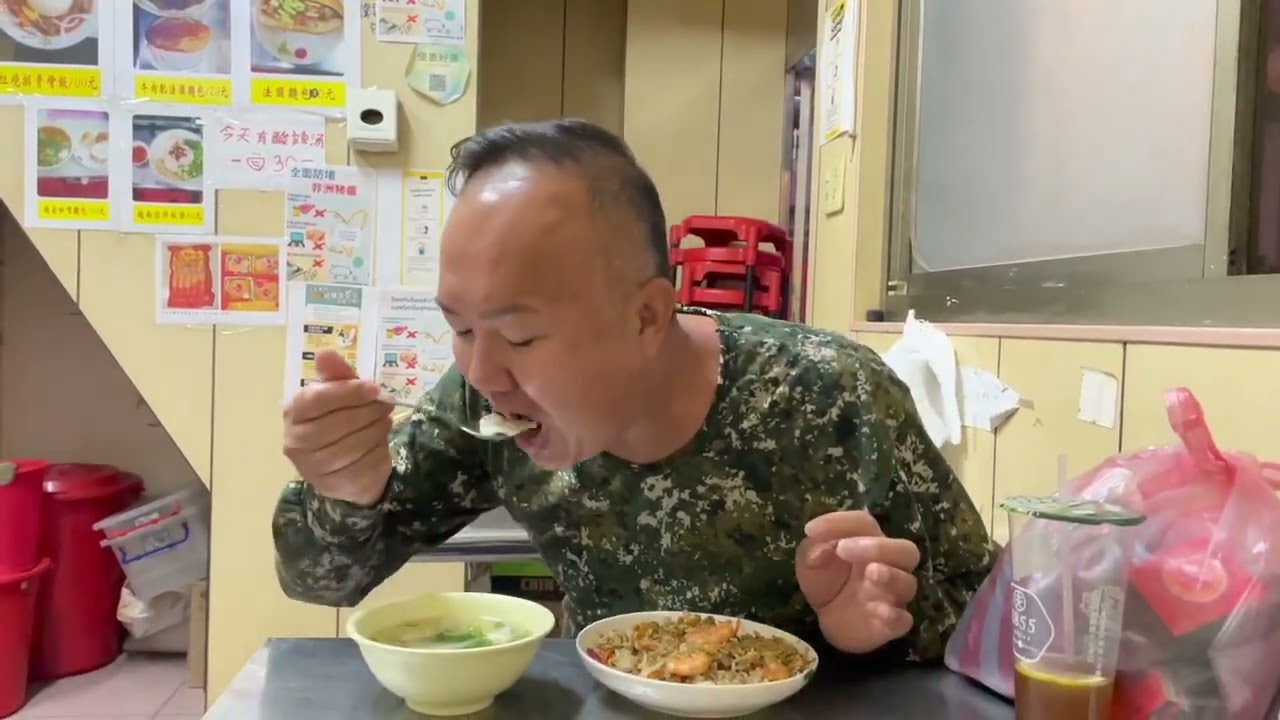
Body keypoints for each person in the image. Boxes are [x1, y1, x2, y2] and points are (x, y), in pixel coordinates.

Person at [273, 119, 997, 664]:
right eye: (459, 329)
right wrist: (346, 489)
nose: (482, 371)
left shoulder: (830, 394)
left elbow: (991, 616)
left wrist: (866, 634)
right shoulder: (481, 402)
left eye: (520, 337)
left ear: (648, 315)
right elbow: (323, 583)